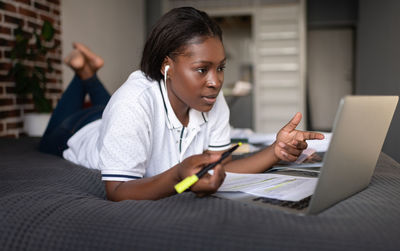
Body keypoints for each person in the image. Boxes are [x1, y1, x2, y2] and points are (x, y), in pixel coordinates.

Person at [39, 7, 324, 201]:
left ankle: (88, 70)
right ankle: (84, 71)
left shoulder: (210, 97)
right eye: (202, 69)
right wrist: (177, 175)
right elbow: (117, 190)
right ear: (168, 67)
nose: (216, 81)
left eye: (221, 67)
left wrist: (276, 151)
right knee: (51, 137)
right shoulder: (131, 103)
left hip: (112, 117)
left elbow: (221, 166)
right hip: (78, 129)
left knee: (106, 104)